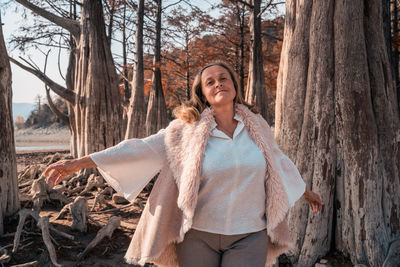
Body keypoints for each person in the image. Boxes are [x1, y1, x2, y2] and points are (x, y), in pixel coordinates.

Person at [44, 62, 323, 267]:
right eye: (210, 82)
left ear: (235, 86)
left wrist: (307, 192)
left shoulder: (258, 128)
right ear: (202, 93)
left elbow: (279, 163)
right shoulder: (184, 131)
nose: (218, 83)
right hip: (197, 236)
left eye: (223, 78)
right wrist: (79, 162)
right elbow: (138, 148)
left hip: (249, 234)